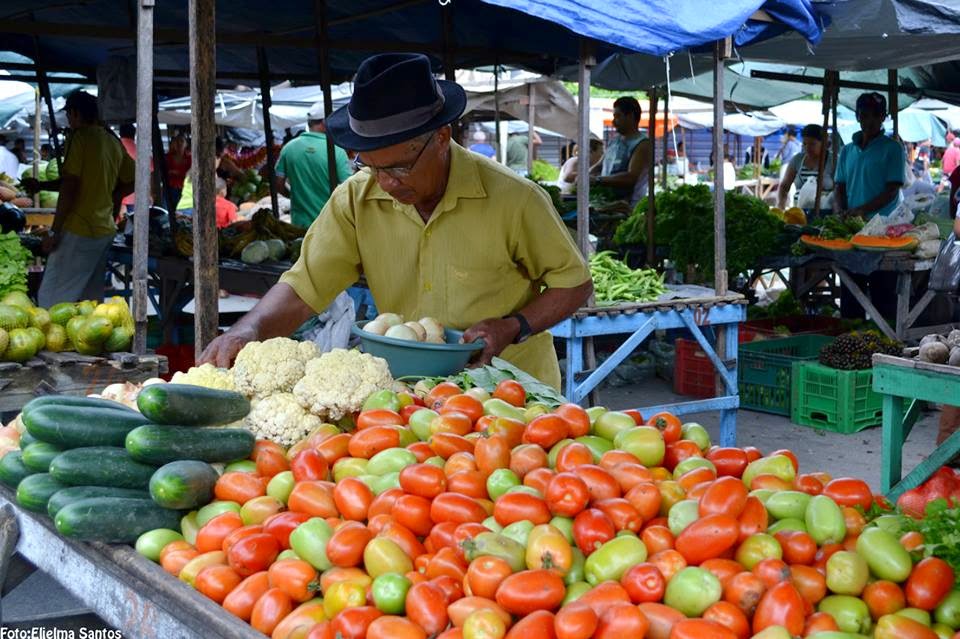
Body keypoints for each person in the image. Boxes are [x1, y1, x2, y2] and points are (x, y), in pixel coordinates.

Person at [198, 52, 592, 388]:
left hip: (510, 396)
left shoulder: (514, 199)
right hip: (410, 396)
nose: (385, 182)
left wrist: (512, 326)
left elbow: (573, 284)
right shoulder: (356, 198)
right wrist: (247, 329)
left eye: (399, 167)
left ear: (441, 136)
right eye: (369, 166)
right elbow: (306, 286)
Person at [22, 91, 134, 307]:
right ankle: (89, 340)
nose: (69, 121)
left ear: (75, 113)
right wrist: (43, 186)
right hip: (103, 230)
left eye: (69, 116)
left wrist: (54, 231)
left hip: (79, 229)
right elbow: (131, 178)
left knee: (51, 298)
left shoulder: (81, 137)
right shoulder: (112, 141)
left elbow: (71, 187)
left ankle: (56, 341)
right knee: (90, 300)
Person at [834, 92, 906, 320]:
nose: (870, 120)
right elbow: (840, 188)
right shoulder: (847, 151)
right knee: (850, 292)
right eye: (865, 115)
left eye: (876, 115)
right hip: (853, 231)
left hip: (883, 231)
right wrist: (841, 213)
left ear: (883, 117)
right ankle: (850, 333)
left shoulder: (892, 149)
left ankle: (884, 341)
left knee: (883, 293)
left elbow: (892, 189)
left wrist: (862, 210)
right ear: (857, 116)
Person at [272, 101, 352, 228]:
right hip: (329, 223)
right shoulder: (336, 150)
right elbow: (349, 188)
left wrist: (294, 197)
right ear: (325, 123)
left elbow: (277, 183)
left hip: (299, 224)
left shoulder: (289, 148)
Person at [593, 96, 653, 207]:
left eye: (618, 116)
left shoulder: (642, 144)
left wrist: (598, 180)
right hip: (608, 206)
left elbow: (631, 177)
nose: (613, 122)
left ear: (630, 116)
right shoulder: (614, 142)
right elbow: (600, 165)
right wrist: (585, 176)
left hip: (628, 209)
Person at [777, 124, 835, 211]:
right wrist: (781, 206)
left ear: (824, 143)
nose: (807, 148)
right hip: (799, 213)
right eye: (804, 144)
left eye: (812, 144)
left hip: (826, 214)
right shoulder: (797, 160)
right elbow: (784, 187)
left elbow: (840, 190)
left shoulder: (833, 161)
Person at [166, 133, 191, 207]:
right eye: (177, 141)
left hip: (184, 190)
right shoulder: (168, 157)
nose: (179, 143)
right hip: (171, 189)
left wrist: (177, 173)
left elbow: (191, 174)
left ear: (186, 144)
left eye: (182, 141)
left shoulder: (189, 158)